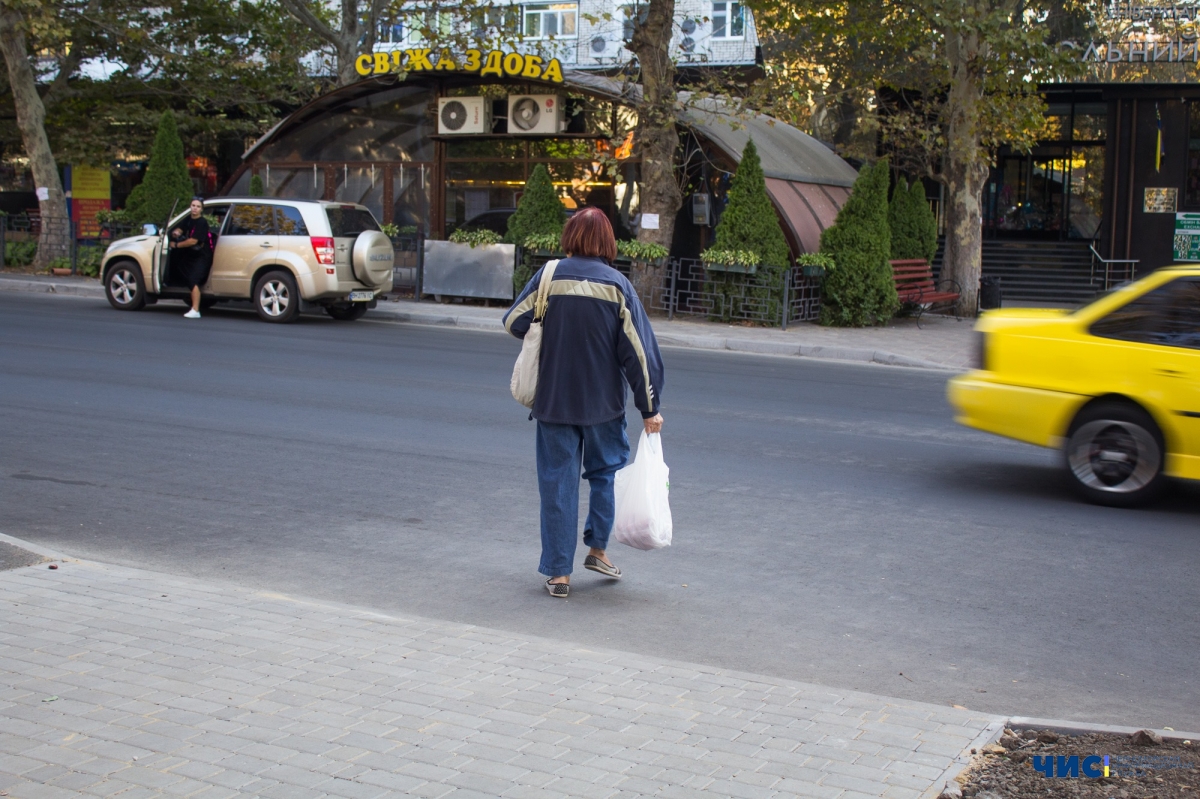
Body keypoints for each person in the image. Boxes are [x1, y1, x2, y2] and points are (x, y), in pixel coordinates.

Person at [503, 207, 665, 598]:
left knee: (557, 484)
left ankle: (559, 574)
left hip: (553, 401)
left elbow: (513, 322)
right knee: (604, 475)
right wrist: (649, 408)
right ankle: (597, 549)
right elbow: (639, 354)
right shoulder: (617, 285)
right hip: (602, 406)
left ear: (570, 236)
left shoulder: (548, 276)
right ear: (608, 241)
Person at [169, 198, 212, 319]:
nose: (195, 208)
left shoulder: (201, 222)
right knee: (188, 276)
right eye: (193, 205)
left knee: (193, 279)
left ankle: (195, 310)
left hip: (202, 256)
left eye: (198, 206)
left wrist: (176, 245)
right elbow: (180, 228)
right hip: (192, 256)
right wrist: (176, 232)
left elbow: (193, 241)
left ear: (201, 209)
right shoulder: (188, 219)